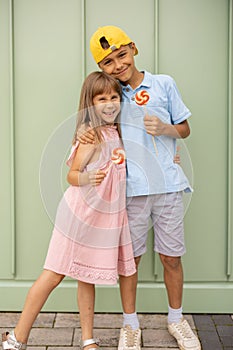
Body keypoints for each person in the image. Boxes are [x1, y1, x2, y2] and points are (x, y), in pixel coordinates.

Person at [78, 26, 201, 350]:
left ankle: (176, 319)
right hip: (129, 192)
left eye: (121, 55)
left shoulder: (163, 84)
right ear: (101, 68)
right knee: (129, 260)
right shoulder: (111, 96)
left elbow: (185, 128)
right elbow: (94, 128)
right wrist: (85, 137)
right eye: (108, 62)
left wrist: (165, 128)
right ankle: (130, 324)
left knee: (171, 258)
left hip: (168, 187)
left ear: (133, 48)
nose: (118, 65)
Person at [1, 71, 136, 350]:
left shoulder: (114, 132)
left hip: (103, 216)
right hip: (80, 215)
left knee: (86, 275)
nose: (110, 103)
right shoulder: (91, 136)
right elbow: (72, 175)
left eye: (114, 97)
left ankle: (87, 339)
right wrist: (88, 178)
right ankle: (16, 337)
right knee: (53, 274)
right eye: (102, 98)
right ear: (90, 102)